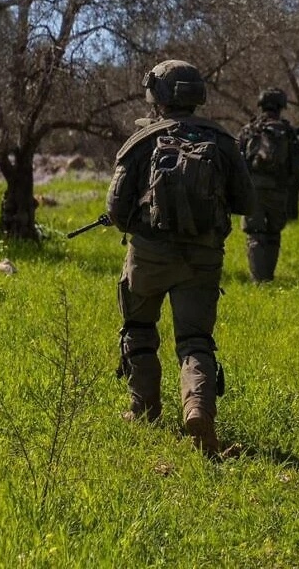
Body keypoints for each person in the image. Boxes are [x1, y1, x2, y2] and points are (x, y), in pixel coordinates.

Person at [105, 60, 255, 456]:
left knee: (138, 327)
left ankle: (145, 409)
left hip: (148, 257)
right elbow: (246, 200)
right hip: (202, 258)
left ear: (156, 95)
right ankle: (197, 407)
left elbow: (118, 210)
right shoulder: (221, 141)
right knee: (195, 341)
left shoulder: (140, 143)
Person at [237, 88, 299, 282]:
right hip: (279, 189)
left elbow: (237, 161)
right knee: (274, 233)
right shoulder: (288, 132)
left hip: (253, 189)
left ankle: (259, 280)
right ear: (282, 105)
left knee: (255, 233)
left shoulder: (249, 129)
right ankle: (269, 277)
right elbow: (297, 166)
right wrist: (291, 190)